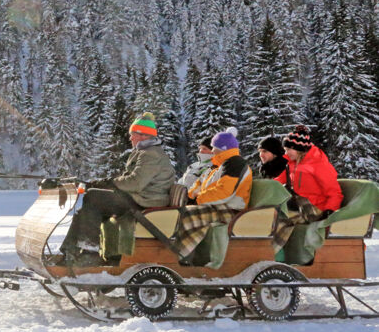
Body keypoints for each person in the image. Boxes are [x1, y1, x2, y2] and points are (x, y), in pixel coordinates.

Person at [58, 112, 174, 265]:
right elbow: (132, 180)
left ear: (144, 135)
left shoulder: (151, 154)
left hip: (146, 201)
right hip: (140, 197)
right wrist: (104, 183)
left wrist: (110, 183)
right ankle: (71, 251)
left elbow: (136, 182)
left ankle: (89, 252)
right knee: (86, 209)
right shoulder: (144, 152)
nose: (130, 138)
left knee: (93, 197)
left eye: (133, 134)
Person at [174, 127, 252, 261]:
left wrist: (198, 200)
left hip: (231, 209)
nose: (212, 149)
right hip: (219, 206)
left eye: (213, 147)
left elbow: (224, 193)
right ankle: (183, 255)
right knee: (179, 212)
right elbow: (200, 184)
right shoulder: (218, 165)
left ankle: (176, 256)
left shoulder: (235, 164)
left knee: (188, 215)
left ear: (222, 148)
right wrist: (189, 197)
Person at [271, 125, 343, 252]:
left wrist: (329, 212)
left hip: (317, 208)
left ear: (299, 149)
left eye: (288, 149)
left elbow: (335, 192)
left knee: (284, 217)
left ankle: (270, 252)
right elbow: (276, 183)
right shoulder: (292, 163)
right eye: (285, 149)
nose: (286, 153)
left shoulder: (318, 163)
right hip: (299, 203)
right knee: (271, 211)